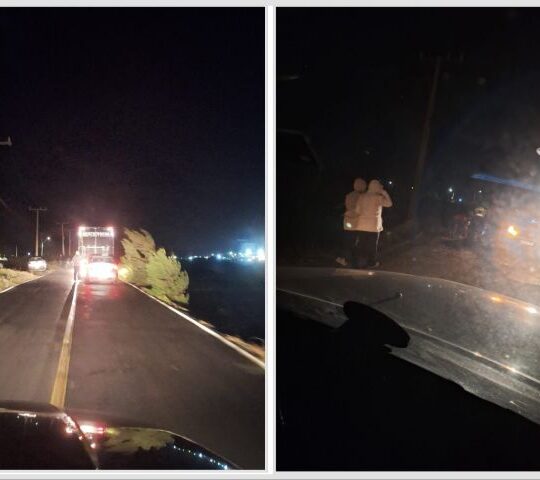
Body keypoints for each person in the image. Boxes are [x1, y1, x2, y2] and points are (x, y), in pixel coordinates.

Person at [354, 179, 393, 268]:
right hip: (373, 226)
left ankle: (357, 262)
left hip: (361, 225)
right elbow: (389, 204)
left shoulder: (362, 197)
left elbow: (357, 211)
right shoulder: (378, 198)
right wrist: (384, 193)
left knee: (361, 244)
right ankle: (371, 263)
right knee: (372, 246)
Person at [336, 177, 367, 268]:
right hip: (357, 222)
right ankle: (354, 262)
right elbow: (361, 210)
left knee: (348, 241)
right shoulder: (363, 196)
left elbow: (348, 207)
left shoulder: (349, 195)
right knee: (355, 243)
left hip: (348, 222)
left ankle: (344, 258)